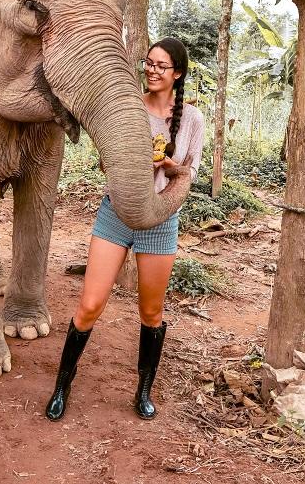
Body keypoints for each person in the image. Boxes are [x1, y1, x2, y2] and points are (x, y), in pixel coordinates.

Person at [45, 37, 204, 421]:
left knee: (151, 312)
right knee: (89, 305)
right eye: (148, 63)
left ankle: (143, 390)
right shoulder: (129, 108)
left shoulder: (193, 120)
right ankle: (62, 386)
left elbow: (189, 173)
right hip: (115, 214)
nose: (151, 70)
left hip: (160, 221)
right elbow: (105, 163)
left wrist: (169, 168)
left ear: (177, 74)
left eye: (160, 66)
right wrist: (127, 165)